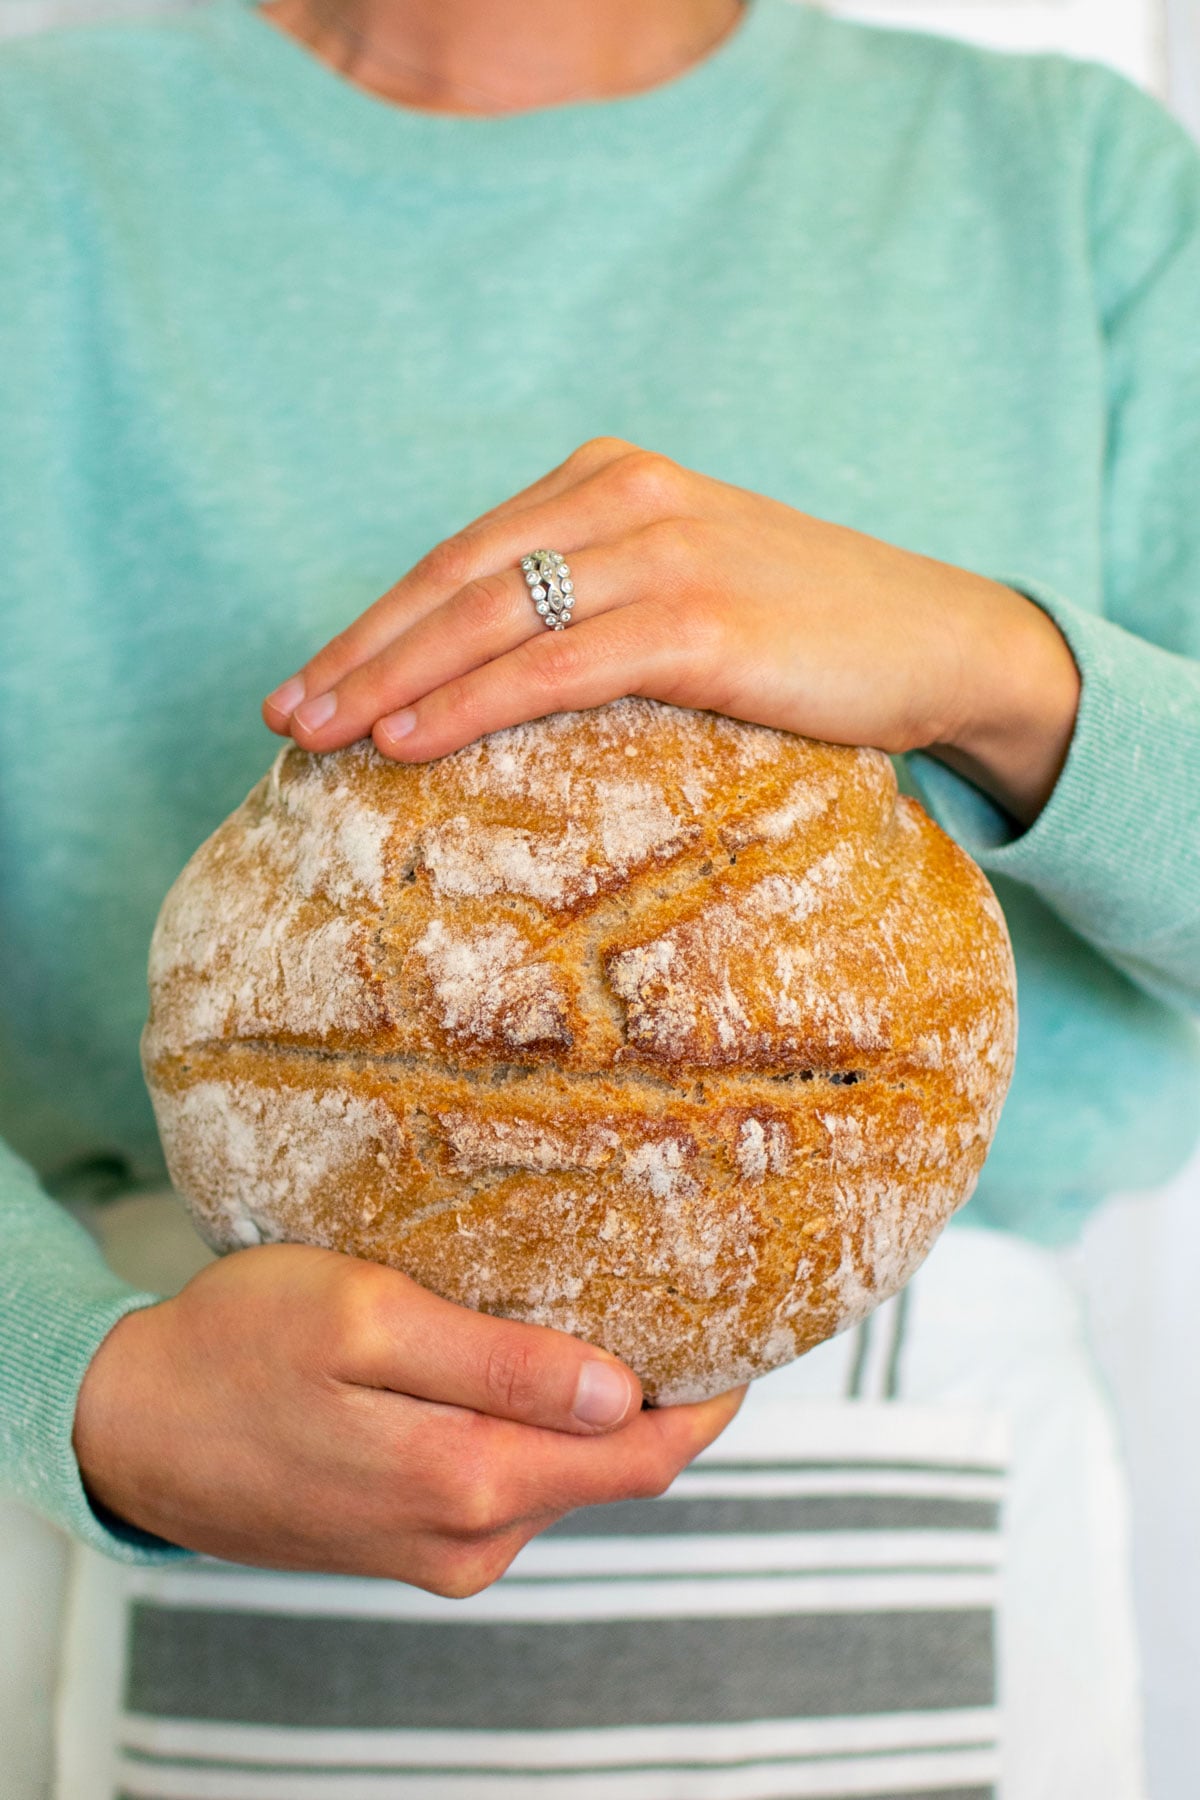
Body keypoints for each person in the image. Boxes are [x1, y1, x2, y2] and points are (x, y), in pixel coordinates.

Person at [1, 0, 1198, 1794]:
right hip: (180, 1455)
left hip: (935, 1496)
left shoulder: (1071, 183)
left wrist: (1001, 666)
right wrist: (67, 1384)